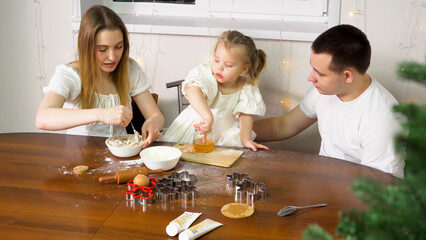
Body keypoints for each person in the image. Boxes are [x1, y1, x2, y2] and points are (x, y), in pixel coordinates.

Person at [253, 24, 404, 178]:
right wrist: (234, 131)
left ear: (347, 76)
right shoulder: (326, 90)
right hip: (323, 183)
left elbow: (378, 189)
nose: (310, 78)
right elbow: (283, 126)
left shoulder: (381, 119)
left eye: (320, 73)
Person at [35, 5, 164, 148]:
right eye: (102, 49)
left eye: (118, 47)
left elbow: (155, 115)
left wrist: (153, 123)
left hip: (118, 158)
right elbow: (42, 118)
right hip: (79, 158)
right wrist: (100, 114)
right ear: (87, 47)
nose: (112, 57)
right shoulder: (70, 74)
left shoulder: (129, 69)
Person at [161, 30, 269, 151]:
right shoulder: (206, 75)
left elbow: (245, 116)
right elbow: (192, 92)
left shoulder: (247, 87)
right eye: (216, 60)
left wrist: (246, 139)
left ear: (244, 68)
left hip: (222, 136)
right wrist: (207, 117)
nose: (219, 67)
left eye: (228, 65)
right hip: (192, 131)